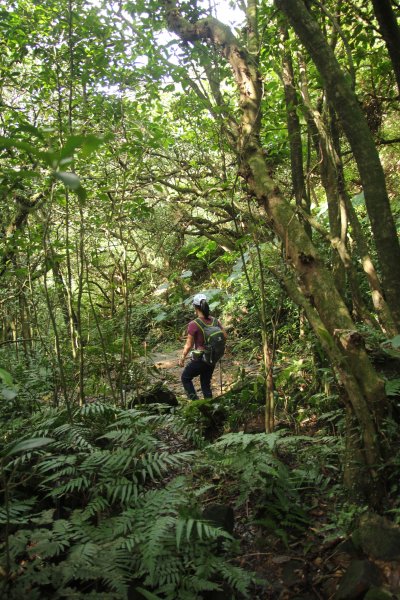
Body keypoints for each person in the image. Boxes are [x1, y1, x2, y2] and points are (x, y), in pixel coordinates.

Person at [179, 293, 227, 399]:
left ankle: (196, 403)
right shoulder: (215, 321)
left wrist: (182, 357)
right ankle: (210, 407)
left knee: (185, 377)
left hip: (200, 359)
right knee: (205, 384)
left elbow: (189, 345)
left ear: (195, 307)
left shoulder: (194, 324)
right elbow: (224, 336)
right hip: (212, 358)